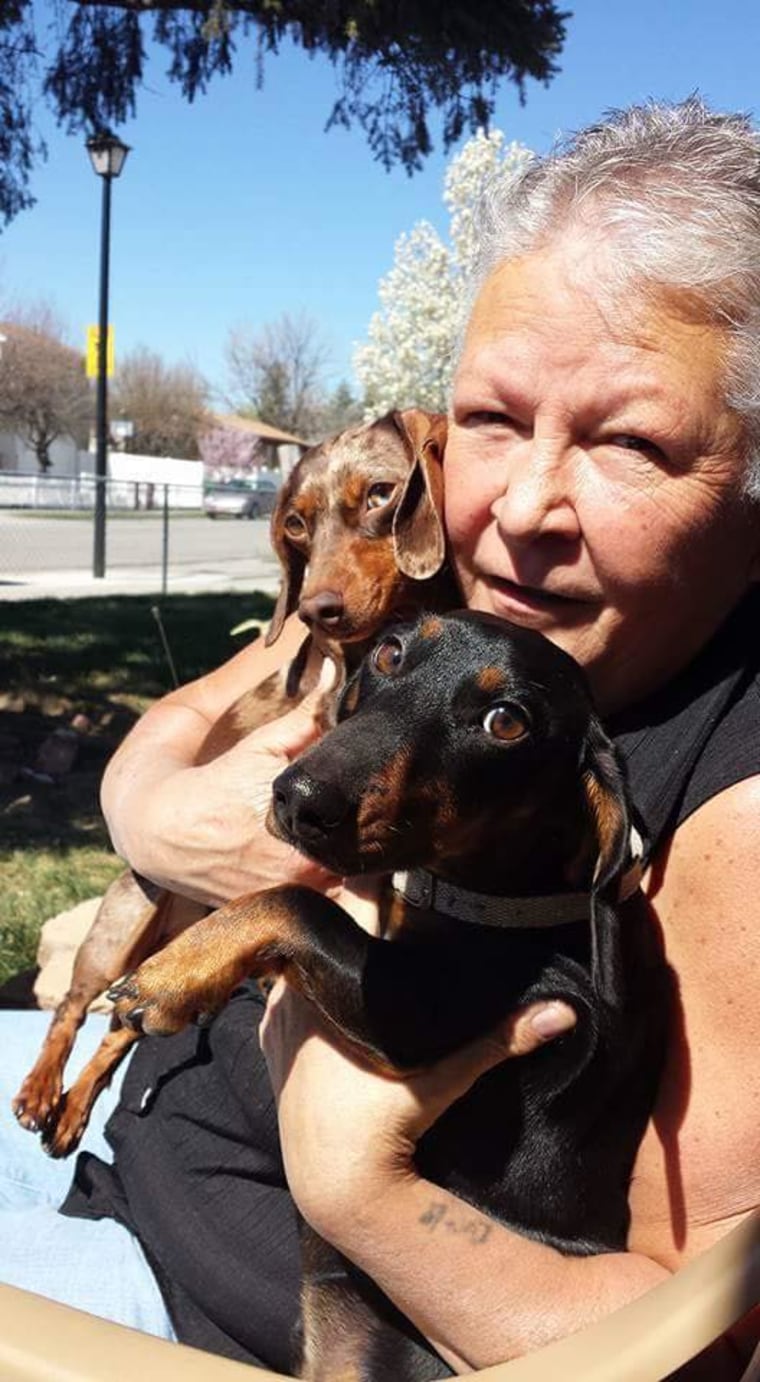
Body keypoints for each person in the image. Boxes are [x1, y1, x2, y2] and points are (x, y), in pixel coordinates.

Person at [2, 95, 759, 1377]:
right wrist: (156, 814)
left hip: (176, 1293)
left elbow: (693, 1342)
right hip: (116, 1132)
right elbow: (200, 718)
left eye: (630, 441)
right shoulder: (457, 589)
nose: (520, 510)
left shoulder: (724, 801)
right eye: (492, 418)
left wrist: (349, 1180)